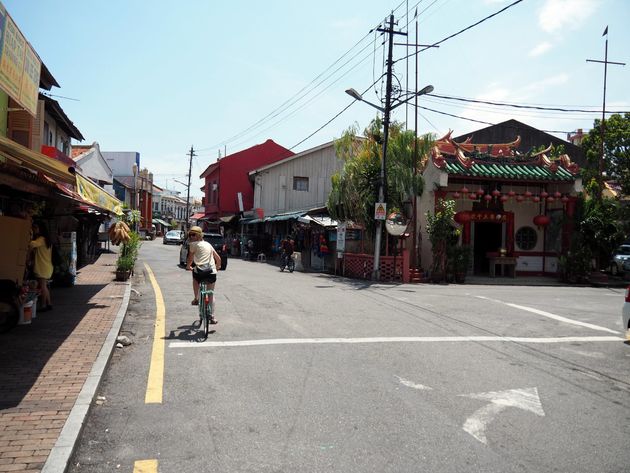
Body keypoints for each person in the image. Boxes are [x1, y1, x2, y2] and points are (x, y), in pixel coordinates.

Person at [185, 226, 221, 320]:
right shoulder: (208, 244)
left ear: (199, 236)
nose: (191, 237)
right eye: (190, 235)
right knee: (211, 294)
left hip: (200, 272)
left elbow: (190, 258)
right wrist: (217, 268)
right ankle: (212, 316)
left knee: (195, 277)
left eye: (193, 235)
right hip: (211, 272)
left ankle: (196, 298)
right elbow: (218, 259)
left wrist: (188, 266)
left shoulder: (193, 245)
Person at [30, 221, 53, 312]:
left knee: (43, 286)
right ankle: (49, 304)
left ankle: (43, 305)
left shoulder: (41, 239)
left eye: (35, 228)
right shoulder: (46, 240)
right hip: (47, 266)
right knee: (45, 286)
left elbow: (31, 244)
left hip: (42, 267)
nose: (34, 229)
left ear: (40, 229)